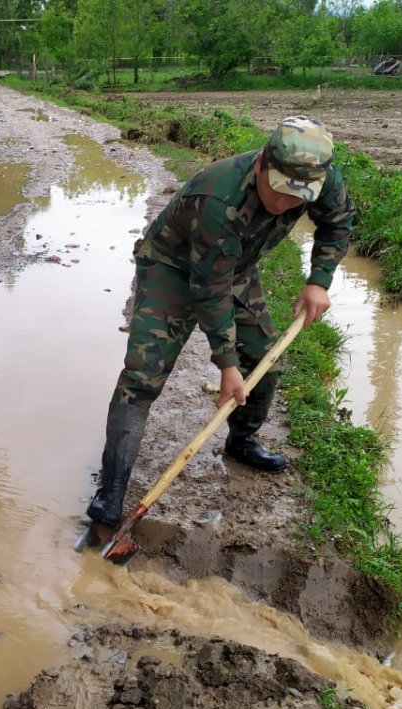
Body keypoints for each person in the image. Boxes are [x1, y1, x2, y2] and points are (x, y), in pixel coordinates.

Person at [86, 114, 355, 530]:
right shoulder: (218, 198)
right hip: (171, 268)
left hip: (237, 266)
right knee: (143, 377)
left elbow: (337, 223)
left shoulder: (320, 179)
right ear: (263, 163)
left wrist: (318, 281)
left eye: (297, 198)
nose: (285, 205)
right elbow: (209, 292)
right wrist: (226, 365)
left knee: (266, 360)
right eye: (280, 192)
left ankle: (242, 440)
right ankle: (112, 489)